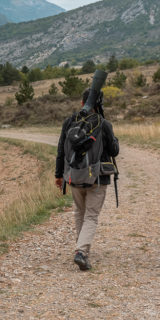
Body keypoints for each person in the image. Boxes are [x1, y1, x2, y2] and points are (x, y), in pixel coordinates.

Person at [55, 87, 120, 271]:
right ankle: (81, 251)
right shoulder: (103, 123)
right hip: (97, 178)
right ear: (99, 104)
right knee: (91, 216)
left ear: (82, 103)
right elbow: (114, 151)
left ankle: (80, 247)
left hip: (74, 176)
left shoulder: (69, 122)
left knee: (79, 212)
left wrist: (58, 175)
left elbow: (61, 150)